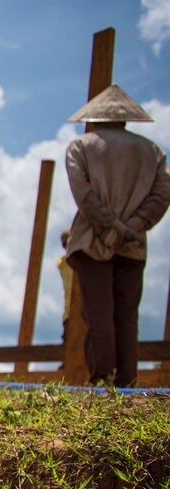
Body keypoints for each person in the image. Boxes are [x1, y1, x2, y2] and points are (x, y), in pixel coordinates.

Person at [64, 84, 170, 387]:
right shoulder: (152, 151)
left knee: (98, 316)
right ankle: (127, 383)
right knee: (126, 317)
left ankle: (103, 382)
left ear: (95, 118)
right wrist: (133, 227)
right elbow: (163, 195)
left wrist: (111, 230)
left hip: (92, 242)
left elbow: (84, 196)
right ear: (126, 118)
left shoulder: (81, 146)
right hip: (133, 246)